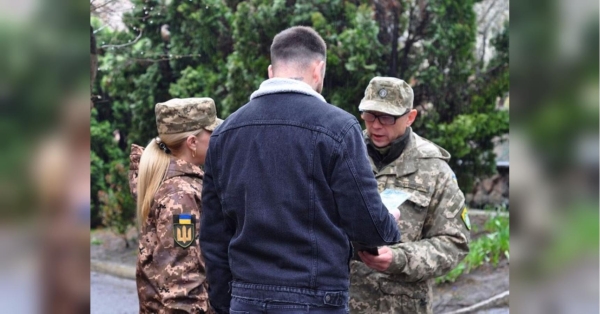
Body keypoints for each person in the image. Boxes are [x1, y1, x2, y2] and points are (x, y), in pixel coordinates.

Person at [200, 26, 401, 314]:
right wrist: (388, 223)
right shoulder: (339, 128)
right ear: (318, 70)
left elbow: (213, 236)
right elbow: (366, 222)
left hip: (247, 296)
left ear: (271, 71)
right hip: (316, 298)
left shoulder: (225, 133)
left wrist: (226, 303)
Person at [348, 77, 471, 314]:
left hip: (399, 306)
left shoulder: (434, 169)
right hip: (340, 302)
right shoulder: (343, 153)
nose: (375, 125)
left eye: (387, 117)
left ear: (410, 117)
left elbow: (455, 242)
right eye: (370, 115)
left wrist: (400, 258)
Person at [128, 97, 223, 314]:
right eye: (211, 132)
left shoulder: (170, 182)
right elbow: (182, 288)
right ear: (192, 142)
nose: (217, 138)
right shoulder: (180, 197)